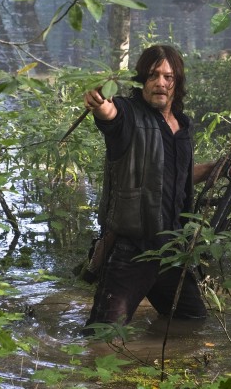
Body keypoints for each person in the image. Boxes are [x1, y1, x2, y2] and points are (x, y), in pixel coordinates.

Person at [82, 44, 219, 334]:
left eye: (168, 77)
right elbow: (108, 112)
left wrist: (212, 169)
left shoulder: (182, 125)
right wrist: (98, 99)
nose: (160, 83)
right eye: (153, 75)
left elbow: (173, 177)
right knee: (101, 337)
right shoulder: (128, 115)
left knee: (191, 321)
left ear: (177, 82)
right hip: (132, 250)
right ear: (141, 80)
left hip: (171, 250)